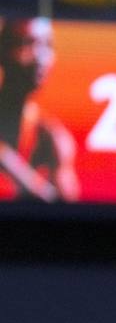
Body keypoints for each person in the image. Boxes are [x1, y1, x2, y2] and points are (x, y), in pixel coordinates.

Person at [0, 17, 79, 202]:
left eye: (48, 46)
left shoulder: (50, 135)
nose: (41, 57)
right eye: (29, 43)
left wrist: (11, 165)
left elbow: (69, 211)